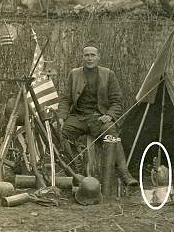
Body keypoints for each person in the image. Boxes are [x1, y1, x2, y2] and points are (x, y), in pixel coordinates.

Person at [58, 43, 138, 186]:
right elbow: (65, 98)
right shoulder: (74, 74)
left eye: (92, 55)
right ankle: (76, 170)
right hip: (78, 117)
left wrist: (109, 115)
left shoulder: (108, 74)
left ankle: (124, 173)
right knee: (62, 133)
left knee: (111, 132)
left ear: (98, 57)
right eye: (86, 55)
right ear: (82, 57)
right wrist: (62, 116)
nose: (89, 58)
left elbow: (117, 101)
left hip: (99, 117)